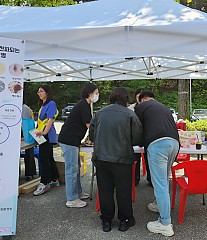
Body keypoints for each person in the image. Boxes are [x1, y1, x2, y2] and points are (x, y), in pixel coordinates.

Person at [90, 87, 142, 232]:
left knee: (105, 190)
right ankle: (125, 220)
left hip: (101, 157)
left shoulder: (99, 113)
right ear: (126, 99)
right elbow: (137, 138)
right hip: (122, 158)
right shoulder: (130, 114)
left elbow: (91, 136)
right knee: (123, 190)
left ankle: (106, 220)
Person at [134, 90, 179, 237]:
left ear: (141, 99)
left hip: (158, 145)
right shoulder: (163, 107)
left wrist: (138, 142)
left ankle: (165, 223)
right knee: (164, 179)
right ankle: (160, 205)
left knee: (159, 183)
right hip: (174, 143)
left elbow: (137, 128)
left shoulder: (141, 107)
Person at [58, 83, 99, 208]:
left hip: (72, 140)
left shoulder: (84, 104)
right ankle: (71, 199)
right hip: (69, 140)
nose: (98, 95)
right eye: (96, 92)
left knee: (76, 167)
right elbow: (90, 126)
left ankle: (78, 192)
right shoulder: (84, 106)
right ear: (89, 93)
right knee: (72, 169)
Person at [33, 85, 60, 196]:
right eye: (38, 91)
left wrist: (44, 132)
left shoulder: (51, 103)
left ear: (47, 93)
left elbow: (50, 119)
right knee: (48, 157)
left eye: (41, 91)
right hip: (42, 134)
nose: (39, 93)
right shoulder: (43, 105)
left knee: (44, 158)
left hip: (46, 135)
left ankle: (45, 182)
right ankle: (54, 179)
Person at [128, 88, 151, 186]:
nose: (140, 99)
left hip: (148, 136)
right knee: (135, 158)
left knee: (149, 158)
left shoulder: (150, 107)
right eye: (138, 97)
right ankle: (135, 179)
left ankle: (150, 179)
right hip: (135, 137)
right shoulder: (131, 108)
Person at [22, 103, 36, 181]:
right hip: (20, 135)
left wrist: (24, 136)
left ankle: (30, 173)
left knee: (29, 151)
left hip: (28, 135)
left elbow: (27, 123)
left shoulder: (25, 108)